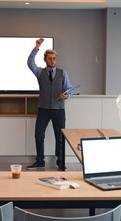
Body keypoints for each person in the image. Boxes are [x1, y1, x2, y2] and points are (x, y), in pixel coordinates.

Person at [26, 38, 73, 170]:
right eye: (49, 58)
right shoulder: (40, 72)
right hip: (43, 109)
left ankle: (60, 161)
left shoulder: (63, 73)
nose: (52, 60)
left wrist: (66, 95)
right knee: (39, 135)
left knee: (59, 137)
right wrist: (36, 48)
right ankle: (40, 161)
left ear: (56, 59)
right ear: (45, 60)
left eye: (54, 58)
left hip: (59, 110)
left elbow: (69, 90)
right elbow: (30, 63)